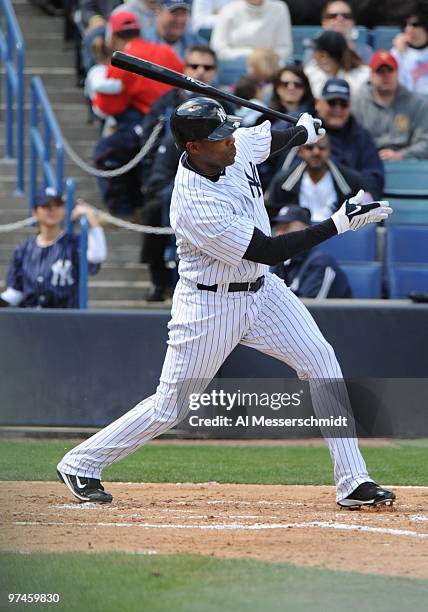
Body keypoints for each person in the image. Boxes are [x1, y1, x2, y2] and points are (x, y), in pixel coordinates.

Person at [56, 97, 395, 511]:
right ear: (194, 148)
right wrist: (339, 222)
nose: (230, 140)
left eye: (228, 130)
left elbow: (267, 140)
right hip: (209, 306)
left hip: (262, 291)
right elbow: (268, 250)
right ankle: (82, 461)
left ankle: (353, 480)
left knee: (322, 360)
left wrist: (303, 130)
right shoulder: (195, 203)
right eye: (218, 136)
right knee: (171, 406)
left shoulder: (231, 147)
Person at [0, 189, 107, 309]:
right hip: (31, 320)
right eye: (46, 206)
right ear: (35, 212)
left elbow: (96, 257)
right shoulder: (24, 249)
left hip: (65, 320)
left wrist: (92, 220)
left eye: (57, 205)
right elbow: (16, 292)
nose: (52, 210)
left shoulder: (74, 243)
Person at [93, 11, 184, 126]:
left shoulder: (121, 60)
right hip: (176, 120)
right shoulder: (166, 51)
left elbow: (104, 108)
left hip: (149, 124)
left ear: (113, 36)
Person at [313, 78, 385, 199]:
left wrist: (367, 195)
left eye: (343, 104)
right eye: (332, 103)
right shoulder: (306, 132)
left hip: (349, 204)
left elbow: (373, 175)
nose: (338, 109)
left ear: (350, 106)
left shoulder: (362, 137)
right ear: (318, 103)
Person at [268, 133, 363, 222]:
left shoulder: (351, 180)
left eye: (322, 147)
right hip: (298, 237)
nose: (316, 152)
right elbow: (272, 219)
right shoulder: (282, 182)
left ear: (330, 150)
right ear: (300, 151)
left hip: (339, 236)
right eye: (309, 147)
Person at [352, 50, 428, 160]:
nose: (386, 76)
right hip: (366, 161)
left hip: (405, 164)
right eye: (380, 71)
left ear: (397, 73)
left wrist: (402, 155)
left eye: (390, 71)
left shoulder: (417, 104)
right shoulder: (356, 103)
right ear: (371, 75)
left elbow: (425, 141)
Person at [270, 206, 352, 299]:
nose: (279, 233)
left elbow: (311, 308)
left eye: (286, 227)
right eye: (277, 228)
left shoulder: (320, 262)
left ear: (306, 230)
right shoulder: (281, 260)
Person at [210, 0, 293, 63]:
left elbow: (284, 49)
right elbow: (218, 49)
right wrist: (252, 54)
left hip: (270, 69)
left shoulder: (279, 9)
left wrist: (267, 60)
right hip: (235, 69)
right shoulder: (228, 10)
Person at [304, 30, 370, 98]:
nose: (312, 55)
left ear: (323, 56)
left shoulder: (363, 76)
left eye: (314, 51)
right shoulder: (310, 71)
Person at [304, 1, 373, 65]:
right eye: (333, 16)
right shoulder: (313, 51)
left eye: (346, 16)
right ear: (324, 22)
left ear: (353, 22)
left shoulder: (365, 51)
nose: (340, 19)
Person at [391, 2, 428, 96]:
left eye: (415, 24)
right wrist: (401, 55)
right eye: (406, 24)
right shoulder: (396, 53)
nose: (409, 29)